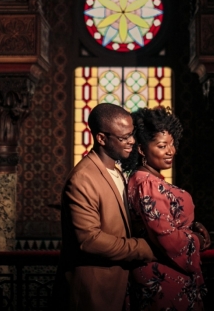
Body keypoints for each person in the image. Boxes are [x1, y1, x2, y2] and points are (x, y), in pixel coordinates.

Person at [52, 103, 157, 311]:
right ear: (101, 138)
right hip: (93, 294)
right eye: (123, 137)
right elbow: (90, 241)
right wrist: (143, 248)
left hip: (119, 289)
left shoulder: (116, 171)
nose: (132, 141)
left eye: (132, 134)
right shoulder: (83, 179)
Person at [122, 106, 211, 311]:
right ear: (142, 149)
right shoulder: (147, 184)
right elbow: (168, 239)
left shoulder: (148, 180)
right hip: (164, 281)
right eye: (162, 146)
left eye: (172, 144)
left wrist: (192, 226)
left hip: (165, 277)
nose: (171, 151)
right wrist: (196, 239)